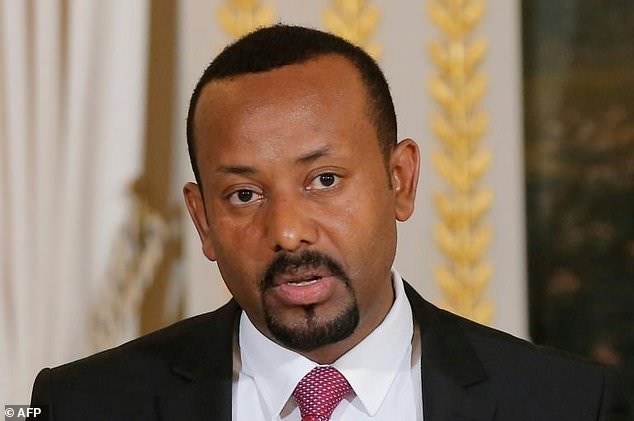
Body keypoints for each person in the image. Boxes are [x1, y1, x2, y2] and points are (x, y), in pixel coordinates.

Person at [30, 24, 629, 421]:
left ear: (401, 179)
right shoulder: (81, 406)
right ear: (203, 219)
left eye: (324, 180)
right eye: (244, 194)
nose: (287, 232)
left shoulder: (570, 405)